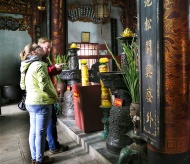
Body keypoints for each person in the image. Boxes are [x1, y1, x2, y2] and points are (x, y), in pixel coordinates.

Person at [20, 43, 58, 164]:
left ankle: (35, 158)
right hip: (42, 102)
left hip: (30, 102)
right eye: (39, 47)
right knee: (40, 133)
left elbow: (22, 86)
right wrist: (54, 96)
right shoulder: (40, 65)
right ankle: (40, 160)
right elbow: (44, 85)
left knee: (34, 131)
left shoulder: (26, 65)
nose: (42, 48)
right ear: (33, 52)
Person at [38, 37, 69, 154]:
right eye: (46, 47)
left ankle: (46, 145)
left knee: (44, 123)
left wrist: (57, 69)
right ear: (39, 47)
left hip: (41, 96)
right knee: (50, 121)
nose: (48, 50)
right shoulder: (38, 60)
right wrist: (53, 68)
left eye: (50, 48)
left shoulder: (43, 58)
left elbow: (48, 72)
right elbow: (44, 74)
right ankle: (53, 146)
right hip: (44, 95)